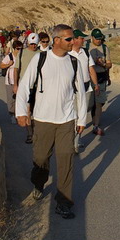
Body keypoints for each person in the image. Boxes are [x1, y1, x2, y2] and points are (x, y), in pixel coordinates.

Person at [15, 24, 87, 219]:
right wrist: (20, 112)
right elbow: (24, 86)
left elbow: (80, 93)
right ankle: (39, 184)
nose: (73, 42)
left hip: (67, 121)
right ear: (57, 40)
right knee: (41, 159)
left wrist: (81, 118)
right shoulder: (41, 59)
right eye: (69, 39)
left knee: (66, 160)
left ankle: (63, 202)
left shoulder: (74, 62)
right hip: (43, 119)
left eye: (73, 38)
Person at [69, 29, 99, 153]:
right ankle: (74, 142)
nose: (83, 40)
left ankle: (77, 138)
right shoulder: (67, 53)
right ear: (75, 39)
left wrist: (95, 84)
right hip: (72, 89)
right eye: (81, 38)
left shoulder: (85, 52)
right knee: (75, 115)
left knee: (82, 114)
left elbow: (91, 69)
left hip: (86, 87)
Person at [13, 32, 40, 143]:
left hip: (38, 87)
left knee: (37, 111)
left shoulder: (41, 54)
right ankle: (30, 134)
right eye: (31, 44)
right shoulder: (22, 53)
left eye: (35, 44)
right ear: (28, 42)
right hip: (25, 87)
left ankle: (36, 132)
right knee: (27, 111)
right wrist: (15, 85)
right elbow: (16, 69)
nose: (33, 46)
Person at [86, 28, 112, 136]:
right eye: (96, 39)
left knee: (99, 103)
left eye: (100, 38)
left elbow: (109, 64)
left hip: (101, 78)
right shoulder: (86, 47)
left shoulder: (105, 48)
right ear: (92, 38)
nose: (98, 40)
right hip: (89, 79)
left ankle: (96, 125)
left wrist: (103, 65)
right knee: (89, 103)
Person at [0, 40, 23, 124]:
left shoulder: (22, 56)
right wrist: (8, 64)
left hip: (20, 80)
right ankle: (12, 114)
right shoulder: (9, 56)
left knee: (19, 99)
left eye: (21, 49)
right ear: (14, 48)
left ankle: (18, 115)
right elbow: (1, 65)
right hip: (10, 81)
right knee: (11, 99)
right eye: (18, 49)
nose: (19, 50)